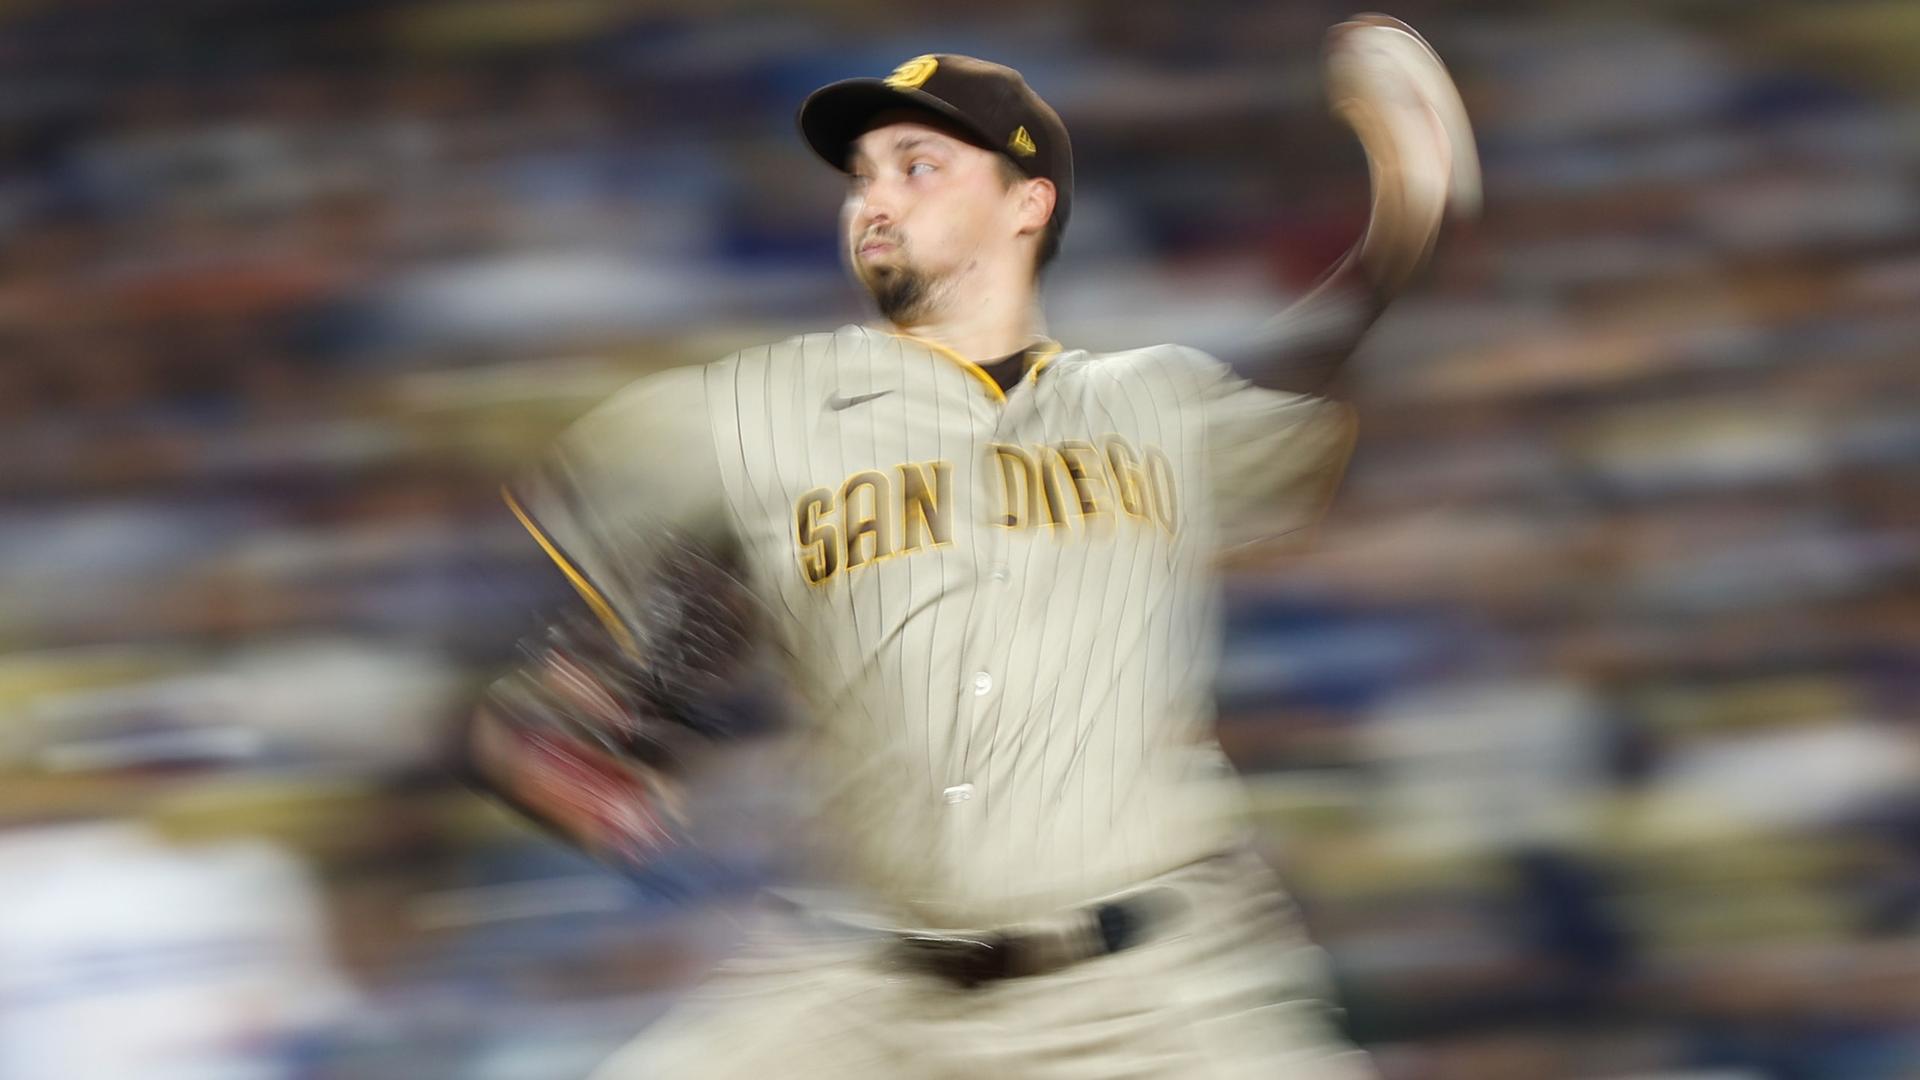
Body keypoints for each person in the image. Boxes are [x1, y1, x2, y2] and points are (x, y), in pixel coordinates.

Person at [462, 16, 1479, 1078]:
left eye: (918, 166)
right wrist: (604, 710)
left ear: (1027, 205)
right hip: (870, 993)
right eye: (862, 177)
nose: (874, 199)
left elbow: (1305, 379)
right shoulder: (746, 413)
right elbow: (602, 622)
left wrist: (1398, 239)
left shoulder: (1154, 403)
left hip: (1158, 991)